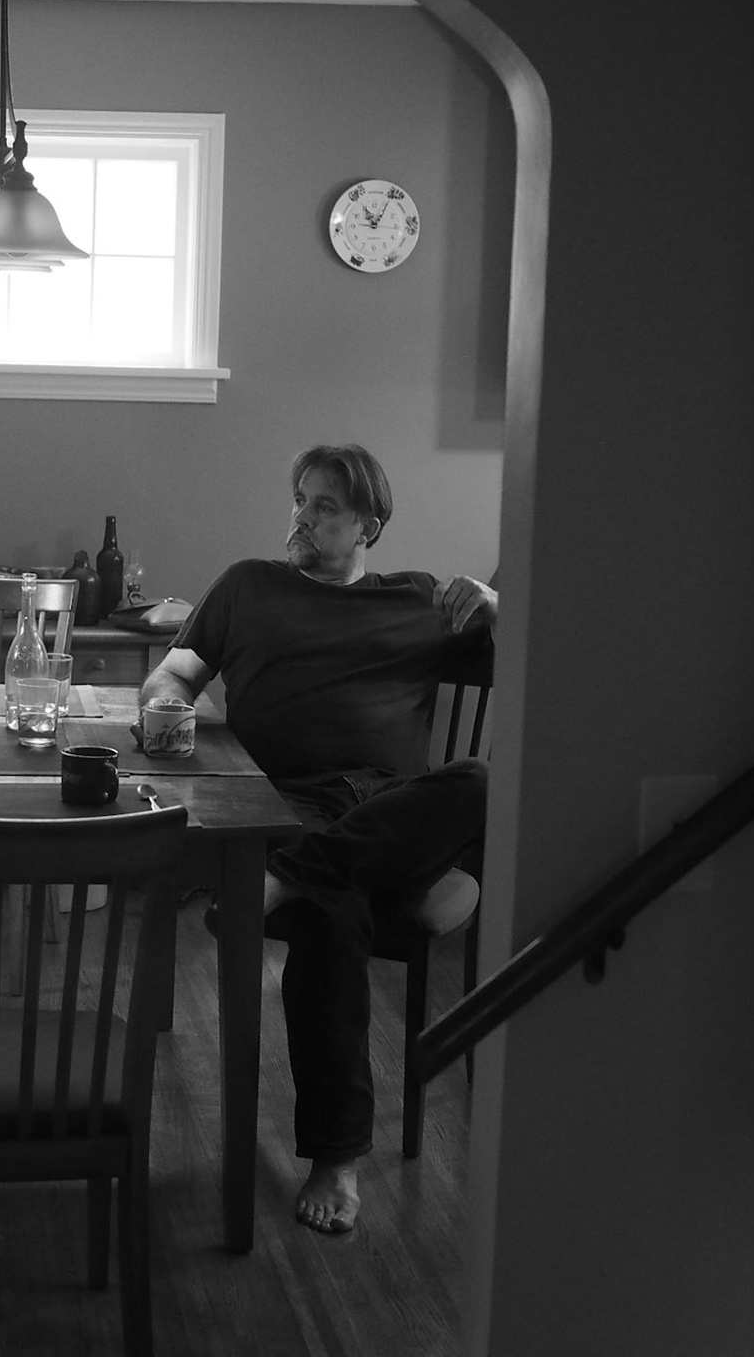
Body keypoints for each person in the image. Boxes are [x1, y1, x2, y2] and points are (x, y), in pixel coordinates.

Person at [139, 444, 495, 1235]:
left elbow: (546, 664)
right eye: (300, 499)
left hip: (392, 808)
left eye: (324, 505)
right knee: (334, 911)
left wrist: (497, 604)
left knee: (477, 780)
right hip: (281, 802)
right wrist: (165, 703)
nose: (302, 516)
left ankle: (289, 878)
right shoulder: (248, 585)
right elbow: (178, 671)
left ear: (369, 524)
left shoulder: (420, 598)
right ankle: (337, 1159)